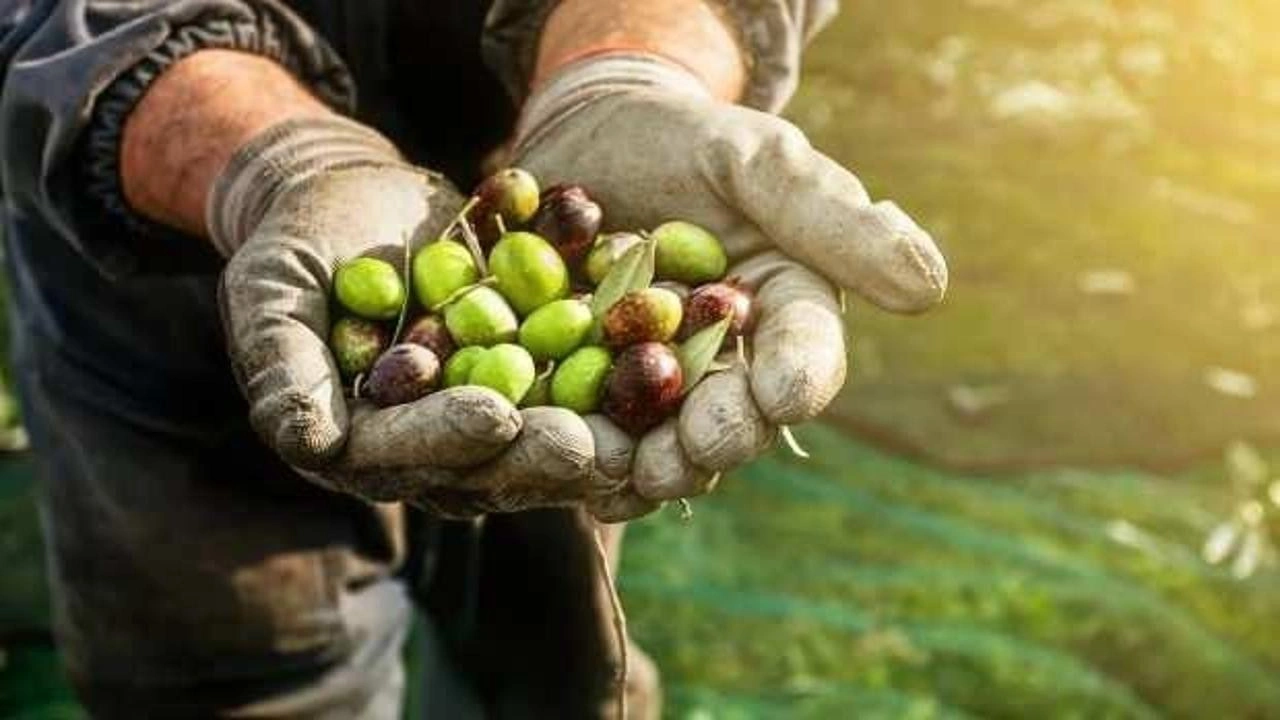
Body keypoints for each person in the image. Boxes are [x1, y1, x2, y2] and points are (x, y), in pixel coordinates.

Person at [0, 0, 947, 717]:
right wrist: (272, 161)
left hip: (555, 197)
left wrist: (627, 67)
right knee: (235, 677)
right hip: (158, 263)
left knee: (557, 661)